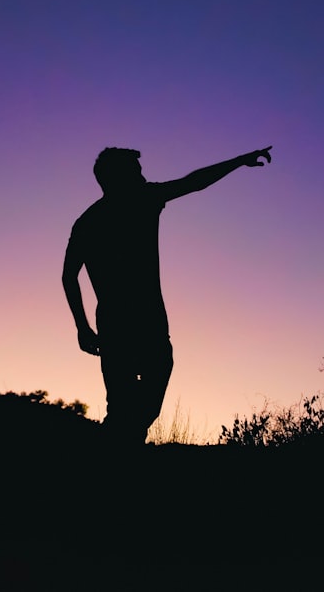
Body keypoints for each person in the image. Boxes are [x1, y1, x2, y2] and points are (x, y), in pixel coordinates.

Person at [62, 145, 272, 445]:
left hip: (117, 327)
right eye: (137, 172)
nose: (144, 177)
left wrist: (83, 327)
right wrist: (239, 161)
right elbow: (194, 181)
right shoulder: (141, 201)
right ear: (119, 178)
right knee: (131, 408)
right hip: (141, 326)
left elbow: (69, 276)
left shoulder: (88, 221)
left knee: (125, 410)